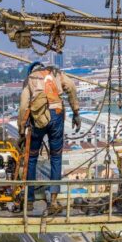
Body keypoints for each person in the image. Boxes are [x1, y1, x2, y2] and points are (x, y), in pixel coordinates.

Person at [18, 61, 81, 215]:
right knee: (56, 158)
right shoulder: (56, 73)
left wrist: (21, 130)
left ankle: (30, 199)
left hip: (38, 118)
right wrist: (76, 112)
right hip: (56, 115)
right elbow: (71, 87)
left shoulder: (30, 79)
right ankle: (53, 200)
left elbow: (23, 105)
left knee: (31, 158)